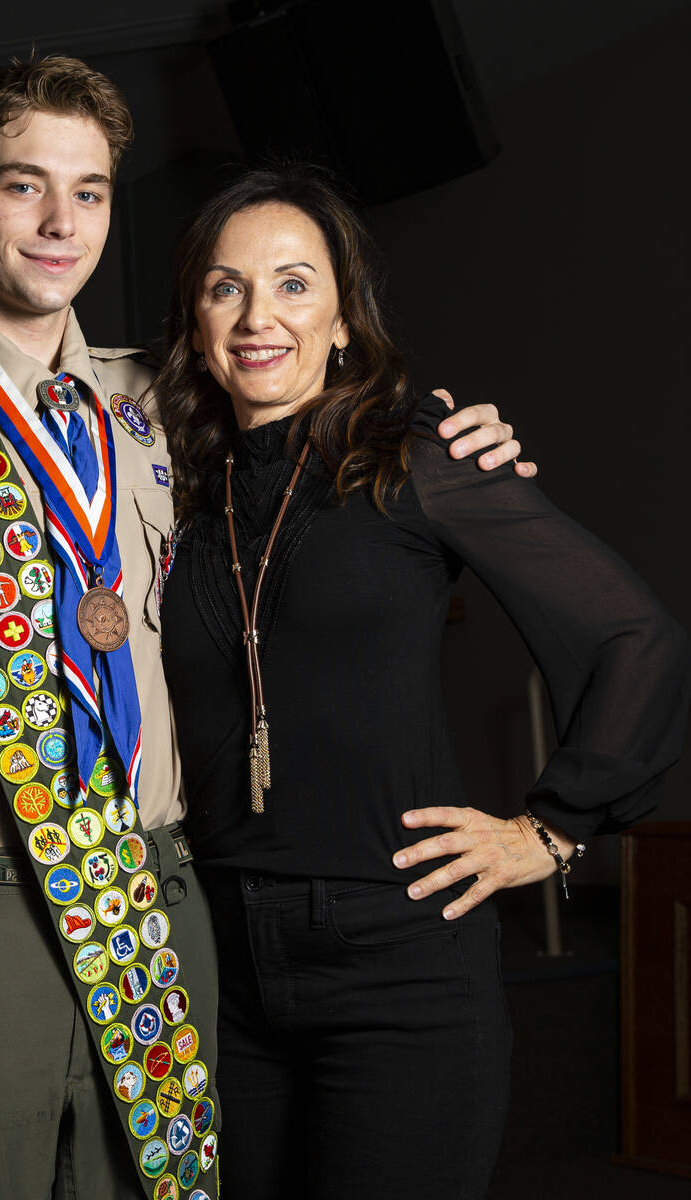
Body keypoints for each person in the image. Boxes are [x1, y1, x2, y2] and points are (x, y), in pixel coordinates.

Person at [0, 58, 532, 1199]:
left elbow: (300, 395)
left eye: (90, 191)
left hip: (152, 900)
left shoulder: (153, 406)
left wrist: (442, 429)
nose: (61, 223)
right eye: (22, 187)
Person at [154, 166, 691, 1199]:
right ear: (194, 318)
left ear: (345, 319)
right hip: (215, 964)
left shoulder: (422, 460)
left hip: (396, 961)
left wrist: (548, 831)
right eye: (225, 288)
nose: (259, 316)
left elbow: (638, 636)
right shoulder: (167, 488)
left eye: (293, 284)